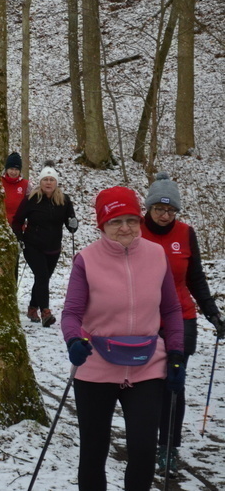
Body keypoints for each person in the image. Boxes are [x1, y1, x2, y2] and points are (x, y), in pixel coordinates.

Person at [61, 186, 185, 491]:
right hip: (96, 365)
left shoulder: (157, 255)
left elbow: (170, 309)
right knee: (93, 451)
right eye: (116, 221)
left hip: (147, 365)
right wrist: (74, 341)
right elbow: (71, 314)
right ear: (101, 224)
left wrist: (177, 352)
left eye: (131, 219)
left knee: (143, 452)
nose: (125, 227)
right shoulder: (86, 260)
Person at [140, 173, 225, 475]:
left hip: (181, 317)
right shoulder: (133, 230)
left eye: (171, 211)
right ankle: (146, 441)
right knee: (147, 386)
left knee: (173, 385)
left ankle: (169, 447)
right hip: (143, 317)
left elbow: (196, 278)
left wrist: (213, 313)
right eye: (159, 210)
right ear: (147, 209)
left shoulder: (186, 233)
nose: (165, 216)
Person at [11, 160, 77, 326]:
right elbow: (17, 220)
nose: (48, 182)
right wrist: (19, 238)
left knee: (43, 279)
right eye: (45, 180)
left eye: (51, 180)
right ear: (40, 182)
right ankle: (45, 312)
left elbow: (70, 223)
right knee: (42, 276)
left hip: (53, 247)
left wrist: (73, 224)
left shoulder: (64, 200)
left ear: (56, 183)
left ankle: (32, 307)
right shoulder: (31, 199)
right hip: (33, 245)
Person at [1, 151, 28, 224]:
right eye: (11, 169)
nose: (13, 172)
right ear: (6, 169)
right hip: (1, 223)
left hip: (18, 225)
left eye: (16, 169)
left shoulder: (26, 184)